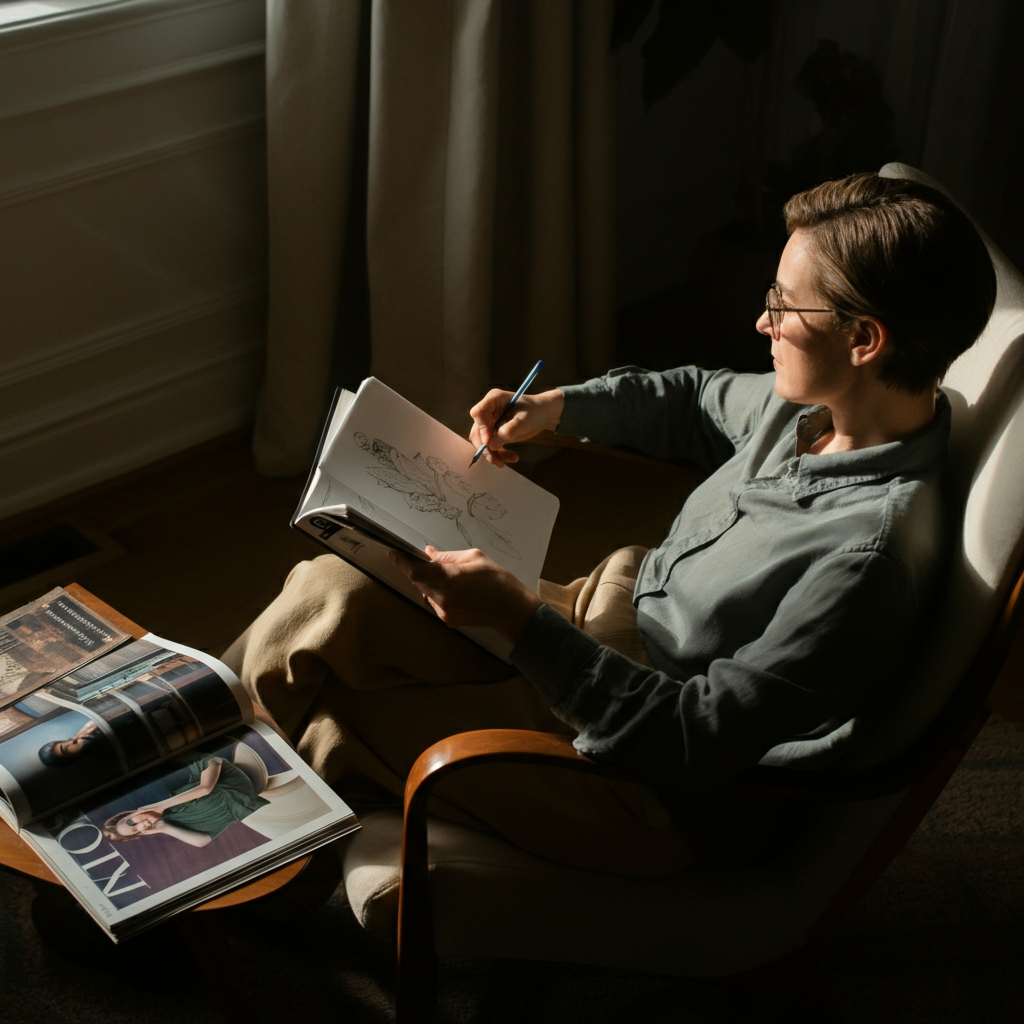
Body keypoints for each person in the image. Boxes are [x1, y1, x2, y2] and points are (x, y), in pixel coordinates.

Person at [223, 172, 996, 874]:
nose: (762, 321)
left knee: (333, 723)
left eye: (785, 305)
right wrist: (554, 408)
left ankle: (202, 865)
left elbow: (693, 741)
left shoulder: (865, 561)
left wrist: (520, 624)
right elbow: (691, 397)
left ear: (864, 340)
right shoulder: (815, 413)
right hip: (604, 631)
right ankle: (180, 734)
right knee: (330, 591)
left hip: (647, 783)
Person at [102, 754, 269, 848]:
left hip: (228, 775)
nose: (138, 825)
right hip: (246, 798)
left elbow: (206, 783)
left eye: (130, 821)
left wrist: (159, 807)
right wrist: (164, 828)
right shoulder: (171, 822)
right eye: (135, 830)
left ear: (130, 813)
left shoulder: (158, 795)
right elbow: (202, 841)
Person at [38, 720, 104, 767]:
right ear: (70, 757)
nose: (74, 740)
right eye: (66, 748)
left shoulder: (85, 733)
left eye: (69, 739)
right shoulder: (100, 756)